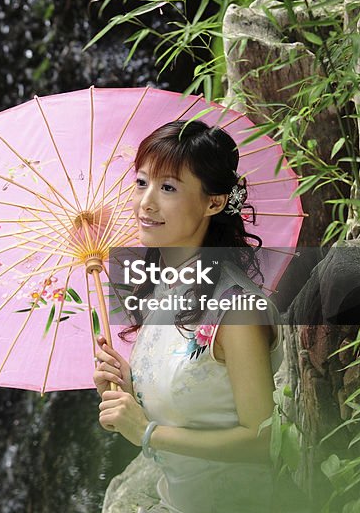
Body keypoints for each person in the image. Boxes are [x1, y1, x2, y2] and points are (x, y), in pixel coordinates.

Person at [94, 119, 284, 513]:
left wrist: (146, 433)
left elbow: (262, 440)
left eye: (168, 188)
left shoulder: (236, 310)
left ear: (213, 202)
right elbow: (193, 398)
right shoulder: (164, 288)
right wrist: (126, 388)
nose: (146, 202)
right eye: (142, 182)